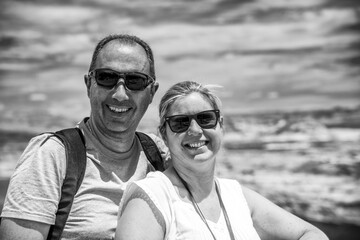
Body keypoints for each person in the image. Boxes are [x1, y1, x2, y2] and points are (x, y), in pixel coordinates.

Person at [0, 34, 169, 240]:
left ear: (152, 92)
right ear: (89, 84)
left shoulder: (159, 156)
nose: (120, 94)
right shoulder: (52, 155)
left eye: (135, 81)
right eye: (106, 77)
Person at [115, 81, 329, 240]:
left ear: (221, 125)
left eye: (205, 118)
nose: (195, 130)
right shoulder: (151, 198)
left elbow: (311, 234)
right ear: (164, 134)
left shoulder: (236, 195)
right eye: (180, 123)